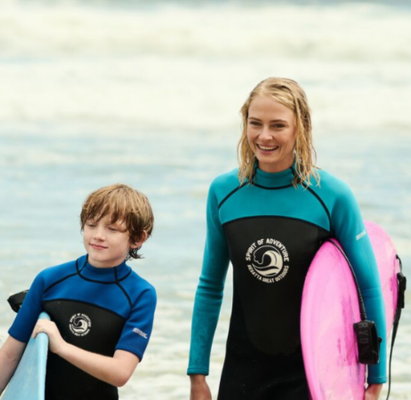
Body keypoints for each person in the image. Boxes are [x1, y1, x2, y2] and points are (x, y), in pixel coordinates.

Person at [187, 78, 386, 400]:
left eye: (278, 125)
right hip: (242, 372)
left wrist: (376, 378)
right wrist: (197, 374)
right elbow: (210, 286)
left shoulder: (331, 195)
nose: (264, 136)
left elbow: (370, 288)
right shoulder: (224, 193)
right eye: (255, 123)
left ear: (300, 128)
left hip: (311, 375)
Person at [0, 183, 156, 400]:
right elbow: (9, 355)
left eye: (112, 229)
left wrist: (62, 347)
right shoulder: (50, 280)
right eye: (92, 225)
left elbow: (121, 373)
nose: (98, 235)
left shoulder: (140, 294)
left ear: (138, 238)